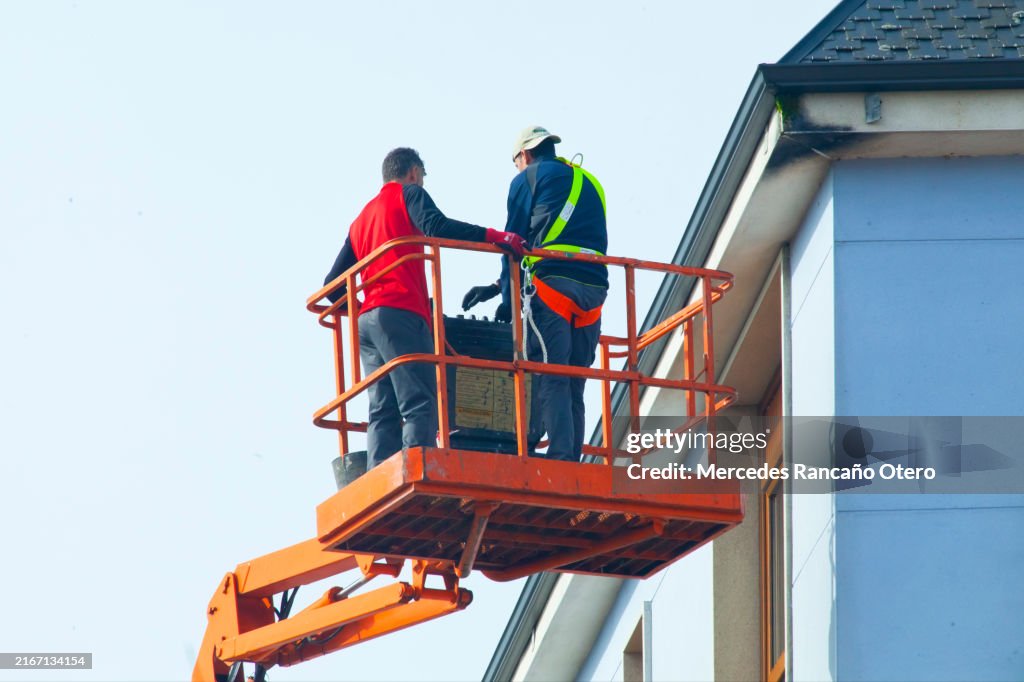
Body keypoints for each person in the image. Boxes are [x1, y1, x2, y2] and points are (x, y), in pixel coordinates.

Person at [324, 147, 526, 469]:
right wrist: (494, 237)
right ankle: (417, 472)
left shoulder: (360, 219)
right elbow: (436, 226)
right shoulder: (410, 194)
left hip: (367, 323)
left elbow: (332, 285)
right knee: (419, 401)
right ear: (414, 173)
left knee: (382, 409)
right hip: (402, 313)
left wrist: (366, 307)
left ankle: (382, 478)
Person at [462, 127, 608, 461]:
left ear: (524, 156)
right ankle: (571, 458)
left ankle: (559, 458)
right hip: (595, 290)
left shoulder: (527, 178)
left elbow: (512, 242)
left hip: (553, 288)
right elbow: (565, 242)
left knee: (552, 376)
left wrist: (508, 300)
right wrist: (497, 287)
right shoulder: (589, 182)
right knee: (575, 381)